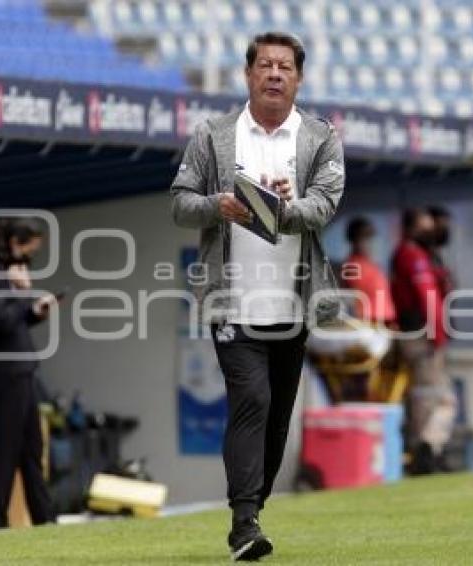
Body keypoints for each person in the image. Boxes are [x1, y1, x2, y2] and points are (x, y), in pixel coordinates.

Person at [170, 31, 345, 561]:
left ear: (298, 78)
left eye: (284, 67)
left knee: (277, 418)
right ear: (247, 75)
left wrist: (283, 209)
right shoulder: (213, 135)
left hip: (293, 306)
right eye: (264, 65)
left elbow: (324, 205)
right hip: (232, 303)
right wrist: (218, 205)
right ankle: (243, 522)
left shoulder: (320, 138)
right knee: (252, 401)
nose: (274, 73)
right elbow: (180, 203)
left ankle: (255, 506)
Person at [0, 218, 57, 530]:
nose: (26, 260)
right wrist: (21, 293)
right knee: (6, 446)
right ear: (13, 243)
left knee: (32, 447)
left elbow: (15, 321)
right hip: (3, 370)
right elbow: (1, 321)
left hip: (22, 368)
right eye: (26, 251)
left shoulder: (3, 273)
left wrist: (34, 311)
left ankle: (44, 518)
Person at [391, 209, 455, 475]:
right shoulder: (411, 255)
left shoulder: (419, 254)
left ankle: (430, 451)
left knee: (428, 397)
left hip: (422, 334)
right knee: (436, 398)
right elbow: (427, 296)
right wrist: (438, 333)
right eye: (426, 226)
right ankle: (425, 451)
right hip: (421, 335)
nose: (432, 231)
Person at [341, 217, 396, 325]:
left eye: (371, 236)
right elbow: (352, 302)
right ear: (353, 240)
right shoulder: (351, 266)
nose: (370, 241)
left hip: (384, 324)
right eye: (365, 236)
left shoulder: (371, 263)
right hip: (369, 325)